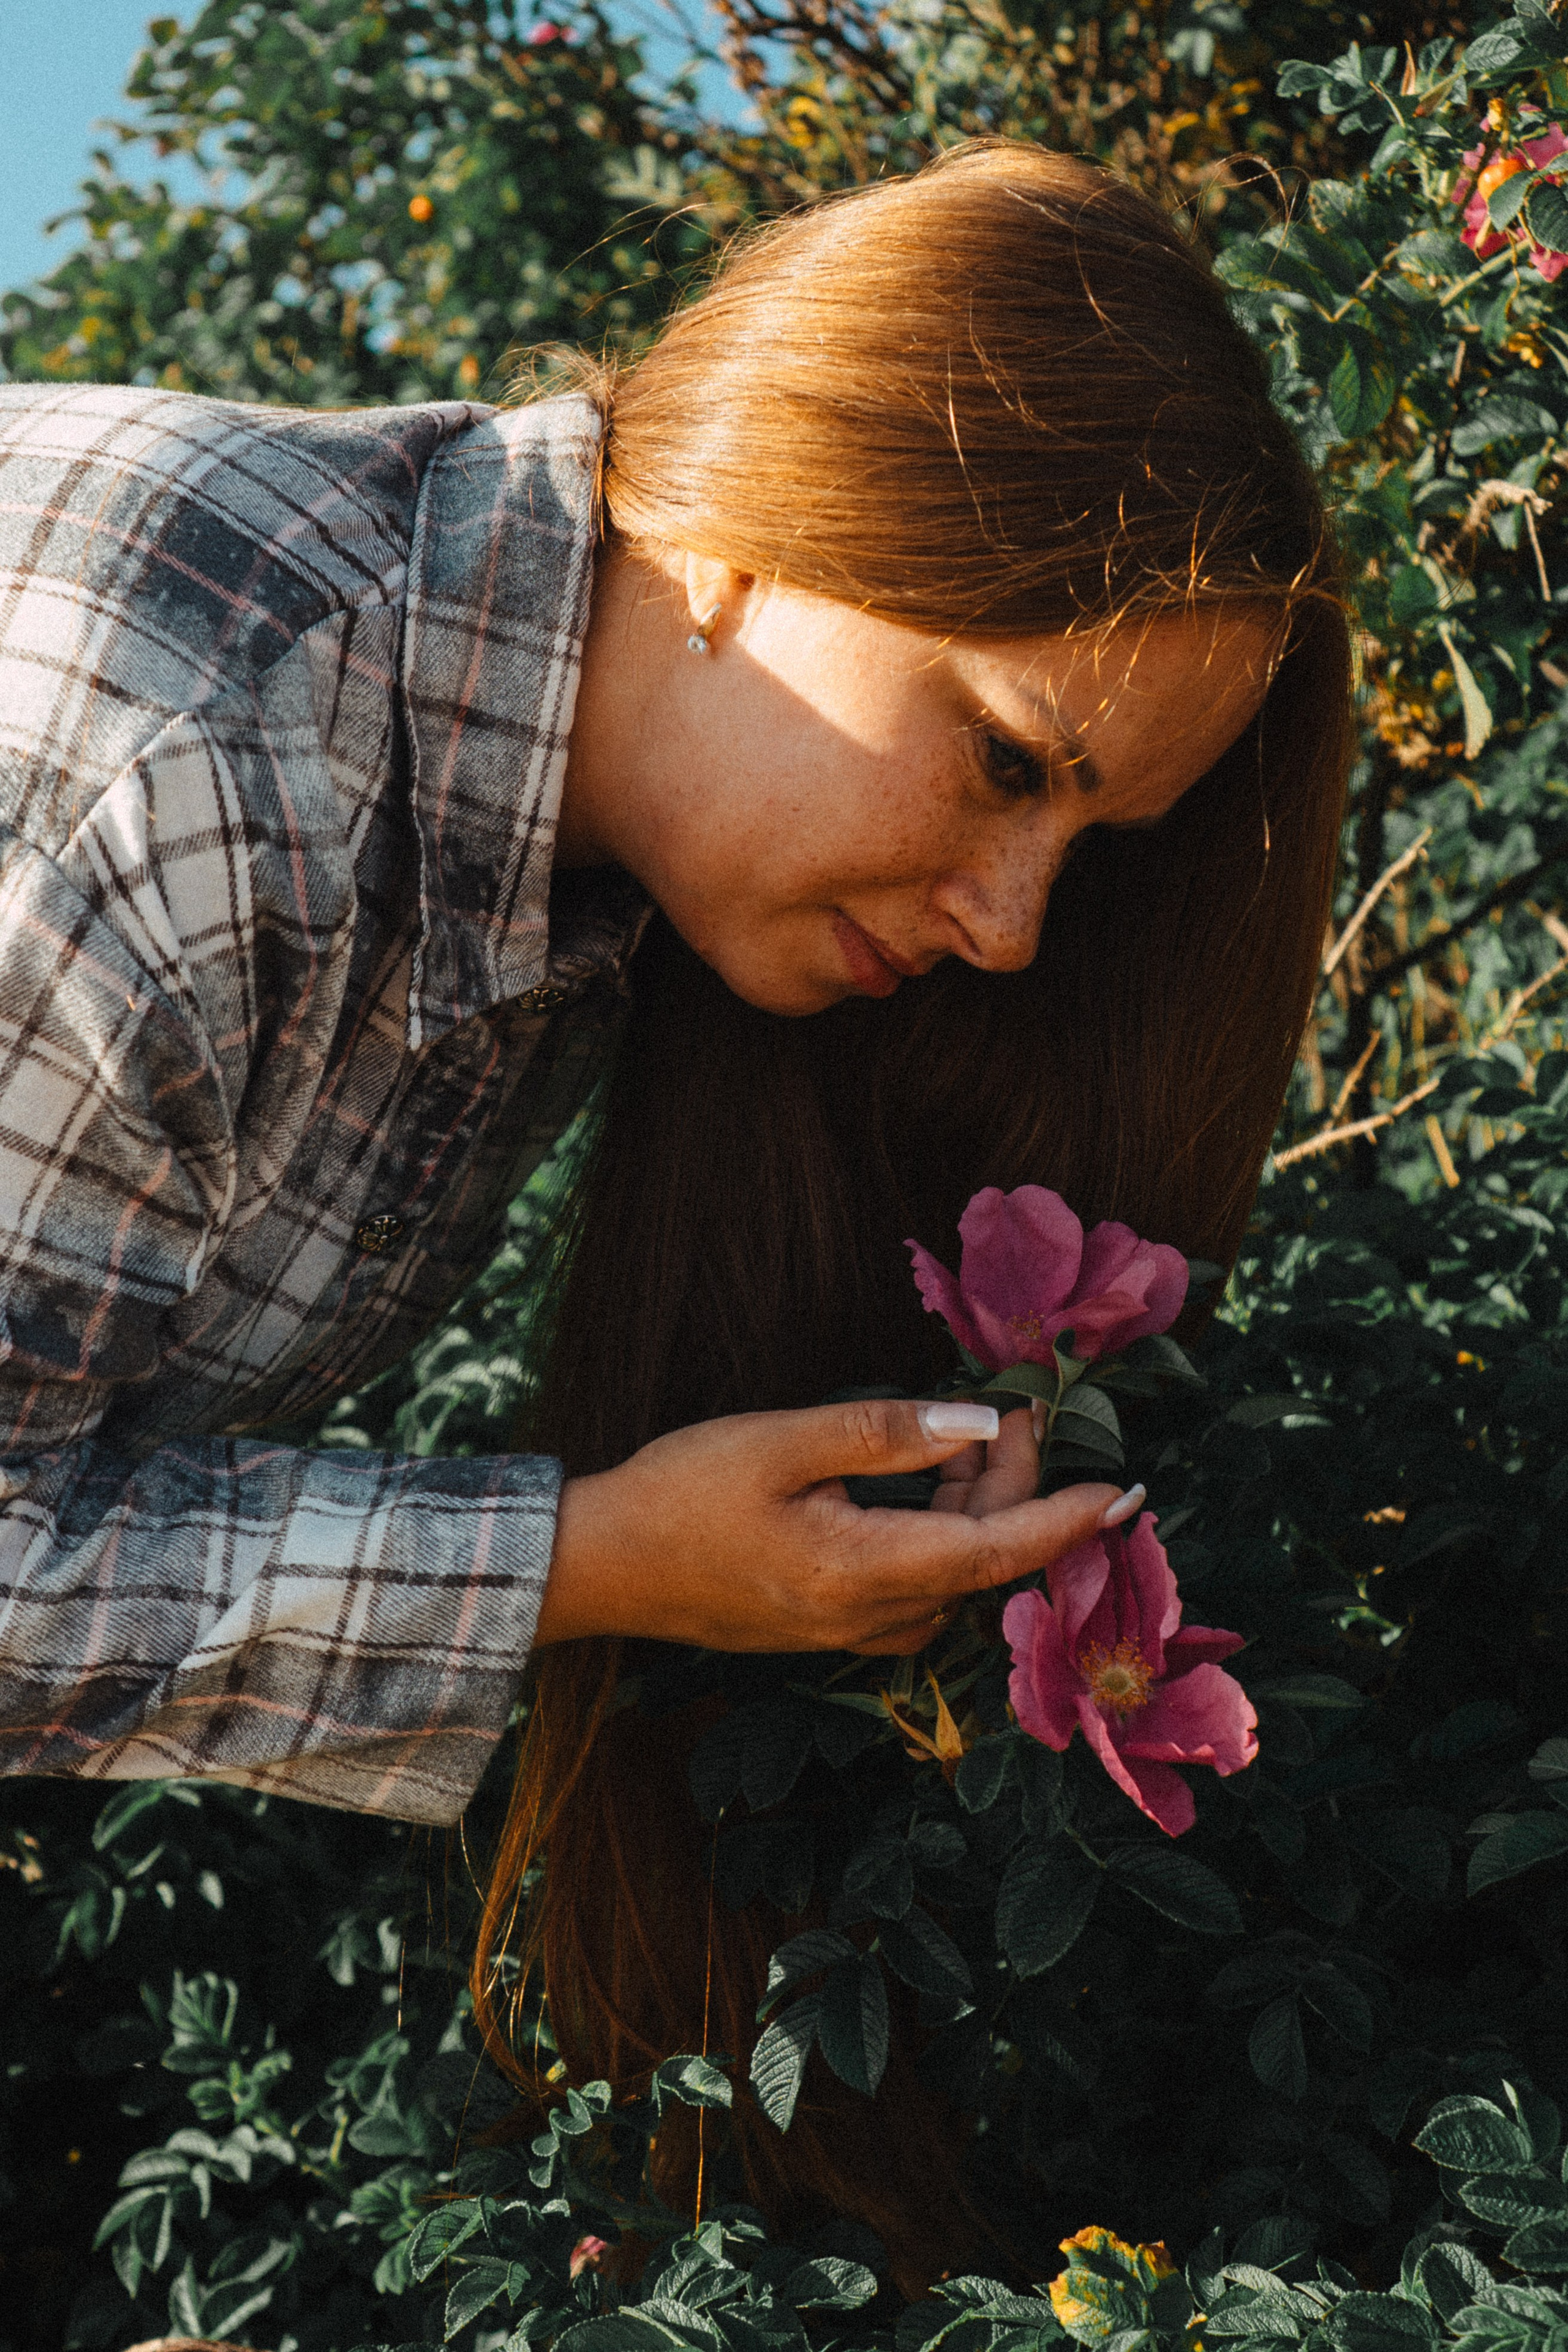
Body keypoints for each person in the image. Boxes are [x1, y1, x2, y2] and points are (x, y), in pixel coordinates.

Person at [0, 140, 1349, 2275]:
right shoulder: (197, 761)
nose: (1015, 928)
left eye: (1092, 842)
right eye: (1009, 760)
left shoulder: (575, 847)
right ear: (743, 539)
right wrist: (595, 1556)